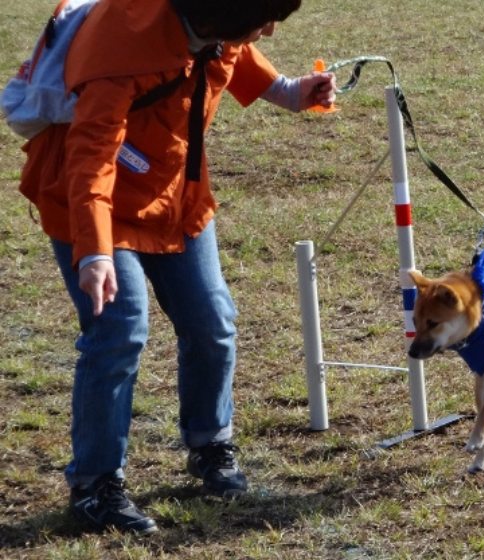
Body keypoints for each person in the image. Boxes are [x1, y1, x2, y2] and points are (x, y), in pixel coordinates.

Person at [16, 0, 336, 535]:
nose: (271, 28)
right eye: (263, 18)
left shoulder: (212, 23)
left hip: (174, 194)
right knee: (119, 329)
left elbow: (234, 54)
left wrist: (290, 91)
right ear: (218, 14)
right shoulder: (120, 47)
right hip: (94, 204)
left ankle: (211, 445)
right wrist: (94, 253)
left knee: (213, 323)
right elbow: (89, 157)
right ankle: (95, 485)